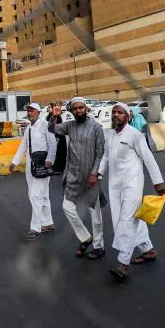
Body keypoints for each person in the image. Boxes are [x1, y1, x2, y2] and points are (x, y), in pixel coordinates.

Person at [98, 102, 165, 281]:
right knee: (130, 218)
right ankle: (147, 250)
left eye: (120, 112)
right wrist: (98, 174)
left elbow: (148, 159)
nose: (115, 115)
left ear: (127, 116)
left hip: (132, 184)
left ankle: (123, 263)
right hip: (115, 185)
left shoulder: (135, 135)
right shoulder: (110, 135)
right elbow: (105, 155)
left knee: (126, 220)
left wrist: (158, 183)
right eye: (114, 112)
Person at [48, 97, 106, 258]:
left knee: (95, 214)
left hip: (91, 177)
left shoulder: (96, 127)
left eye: (81, 107)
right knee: (67, 207)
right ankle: (85, 238)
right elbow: (52, 129)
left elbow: (101, 153)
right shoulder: (70, 126)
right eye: (75, 108)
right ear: (72, 111)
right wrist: (54, 115)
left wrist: (95, 173)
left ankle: (99, 246)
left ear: (86, 108)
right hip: (73, 175)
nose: (78, 110)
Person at [10, 102, 57, 241]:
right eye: (28, 110)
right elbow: (23, 146)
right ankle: (48, 223)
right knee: (43, 196)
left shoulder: (45, 125)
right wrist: (15, 161)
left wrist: (50, 160)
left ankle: (35, 227)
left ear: (38, 112)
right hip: (31, 164)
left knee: (34, 195)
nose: (29, 113)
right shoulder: (29, 128)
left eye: (31, 110)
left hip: (43, 164)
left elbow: (52, 144)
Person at [47, 101, 68, 174]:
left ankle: (59, 169)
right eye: (48, 107)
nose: (48, 108)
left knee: (59, 154)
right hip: (53, 137)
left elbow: (57, 127)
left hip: (59, 138)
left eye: (50, 107)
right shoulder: (50, 115)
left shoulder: (56, 116)